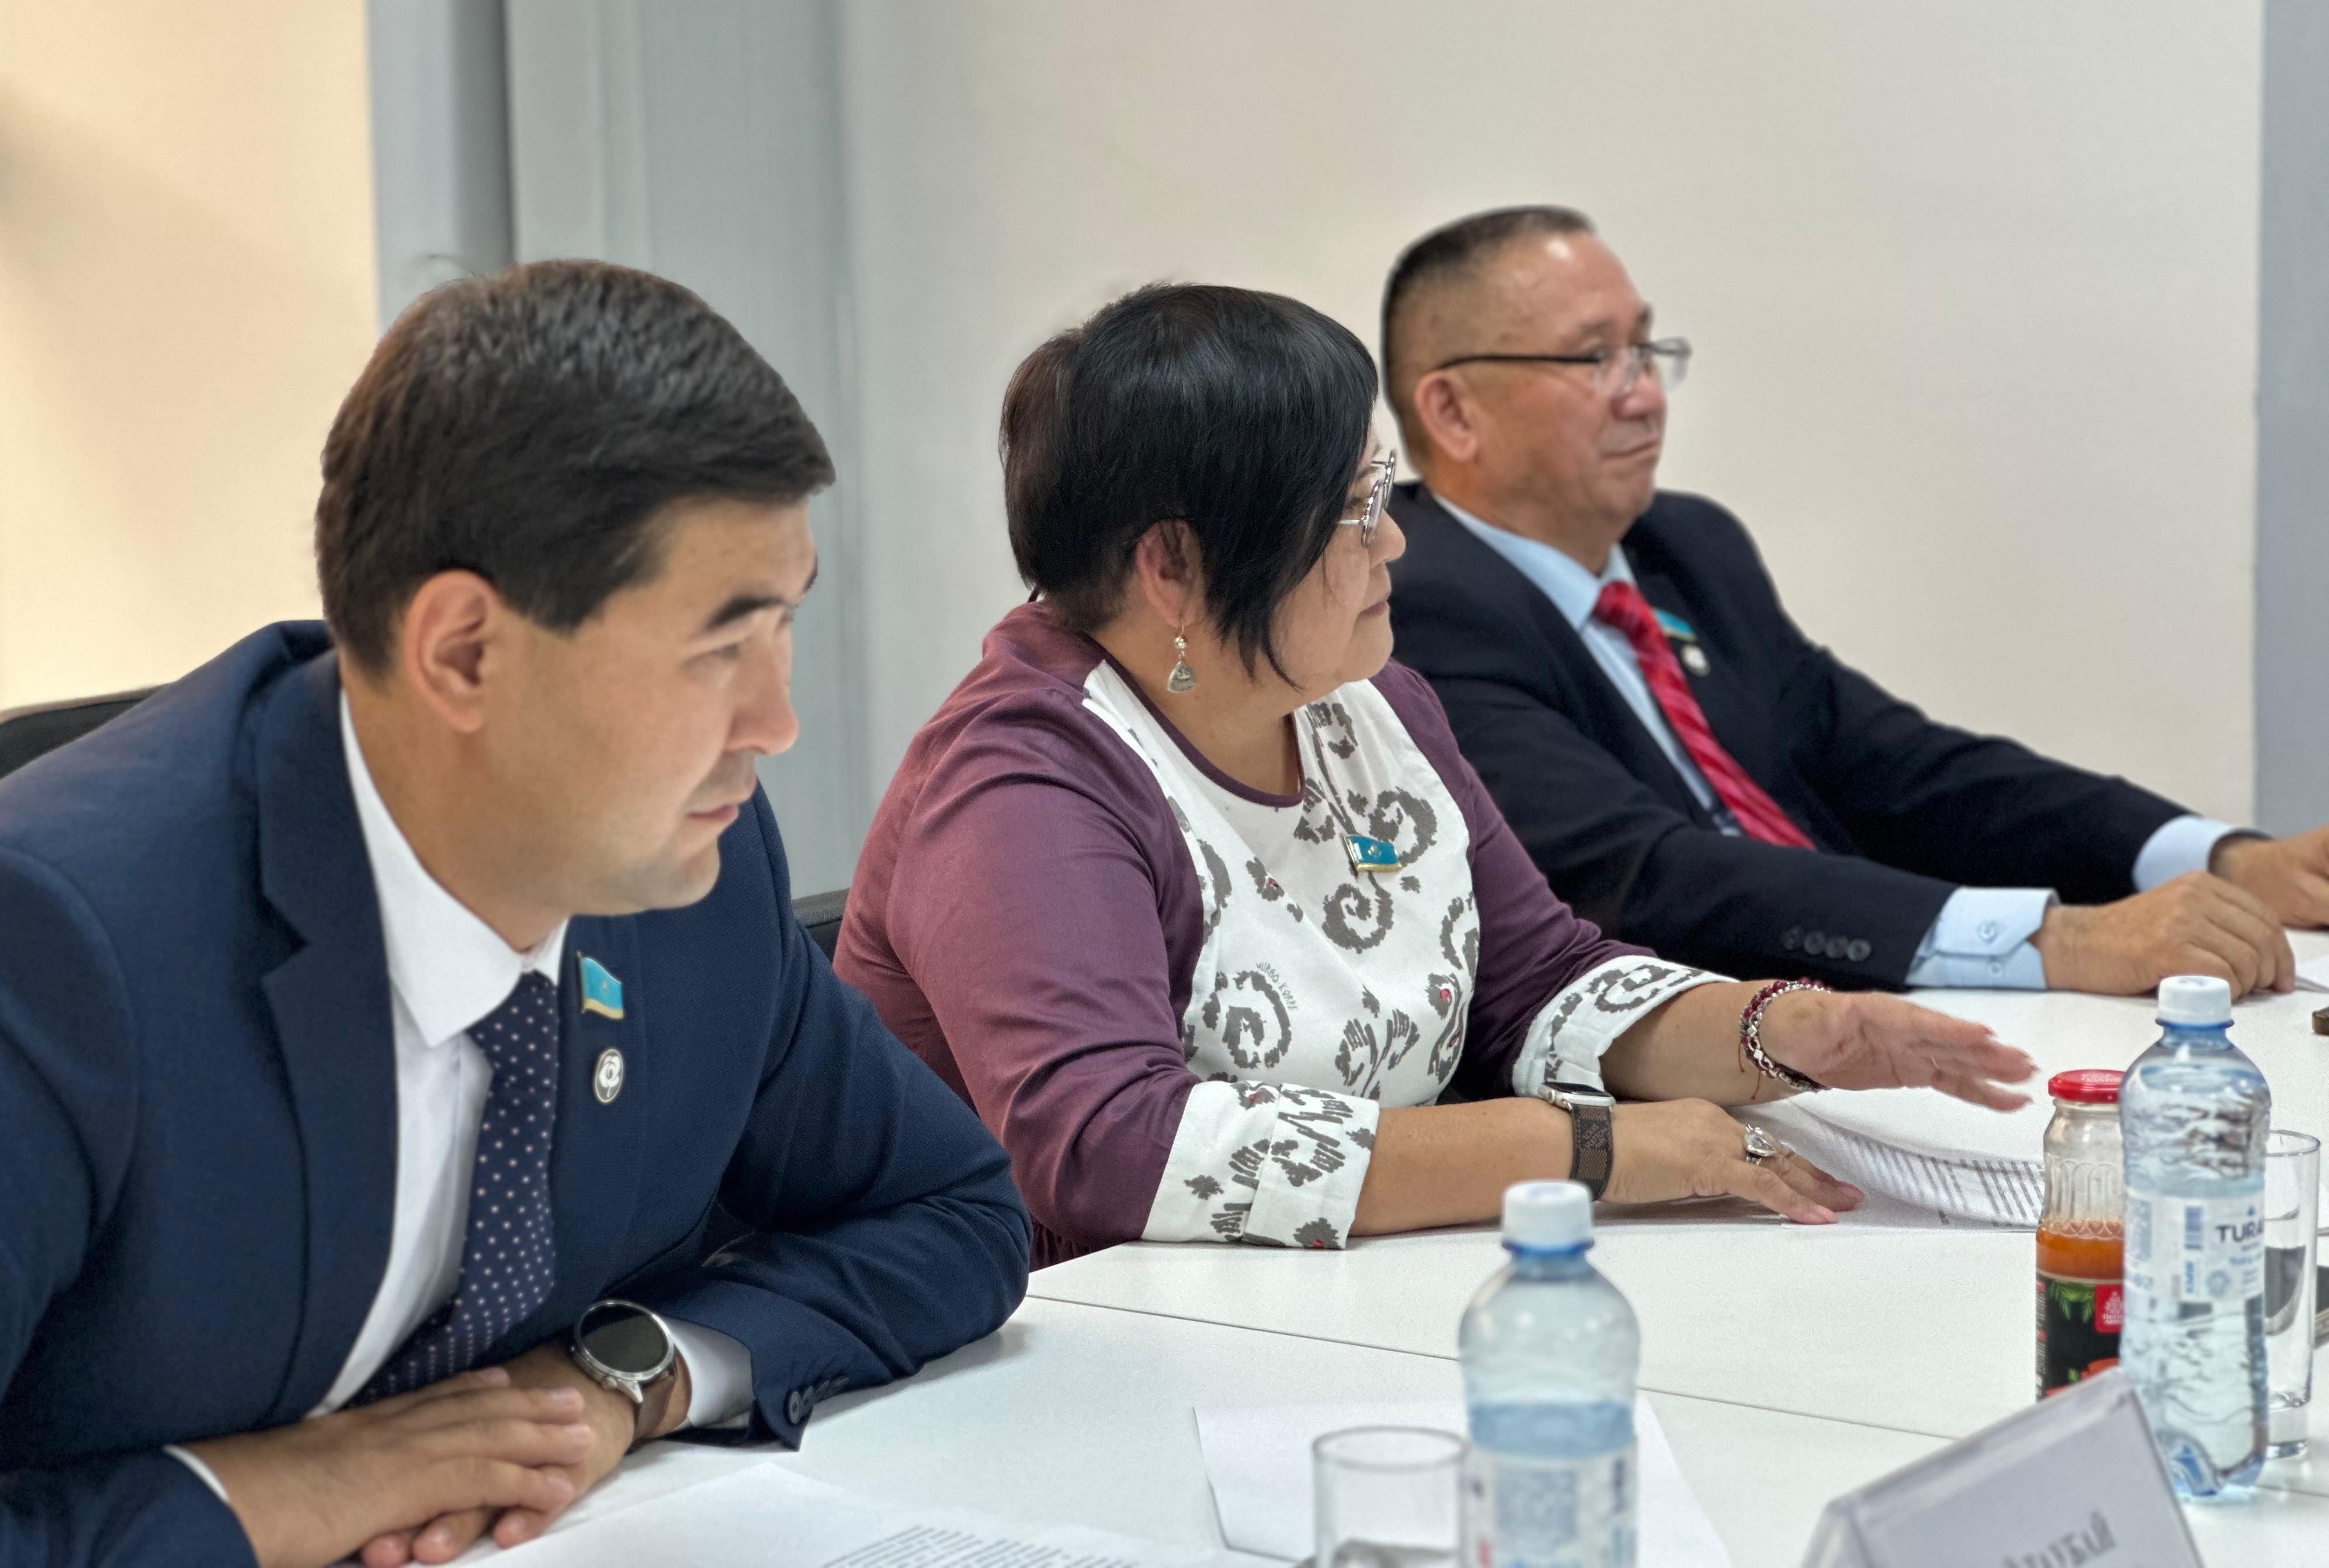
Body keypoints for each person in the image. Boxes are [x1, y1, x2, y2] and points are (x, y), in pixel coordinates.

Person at [0, 262, 1029, 1568]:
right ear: (464, 654)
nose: (777, 723)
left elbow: (952, 1213)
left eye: (782, 630)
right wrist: (269, 1496)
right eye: (717, 651)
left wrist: (623, 1381)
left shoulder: (690, 878)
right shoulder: (51, 947)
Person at [835, 283, 2032, 1268]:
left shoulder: (1369, 707)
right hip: (1078, 1348)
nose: (1396, 539)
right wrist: (1587, 1153)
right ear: (1175, 568)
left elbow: (1535, 981)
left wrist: (1784, 1028)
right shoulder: (1023, 786)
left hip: (1355, 1299)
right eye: (1356, 507)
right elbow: (1108, 1150)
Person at [1380, 205, 2329, 1001]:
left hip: (1882, 1010)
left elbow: (1904, 767)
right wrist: (2054, 940)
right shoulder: (1417, 607)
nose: (1646, 397)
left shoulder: (1688, 548)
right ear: (1454, 411)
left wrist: (2219, 856)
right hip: (1708, 1059)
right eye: (1595, 359)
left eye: (1646, 349)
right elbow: (1643, 876)